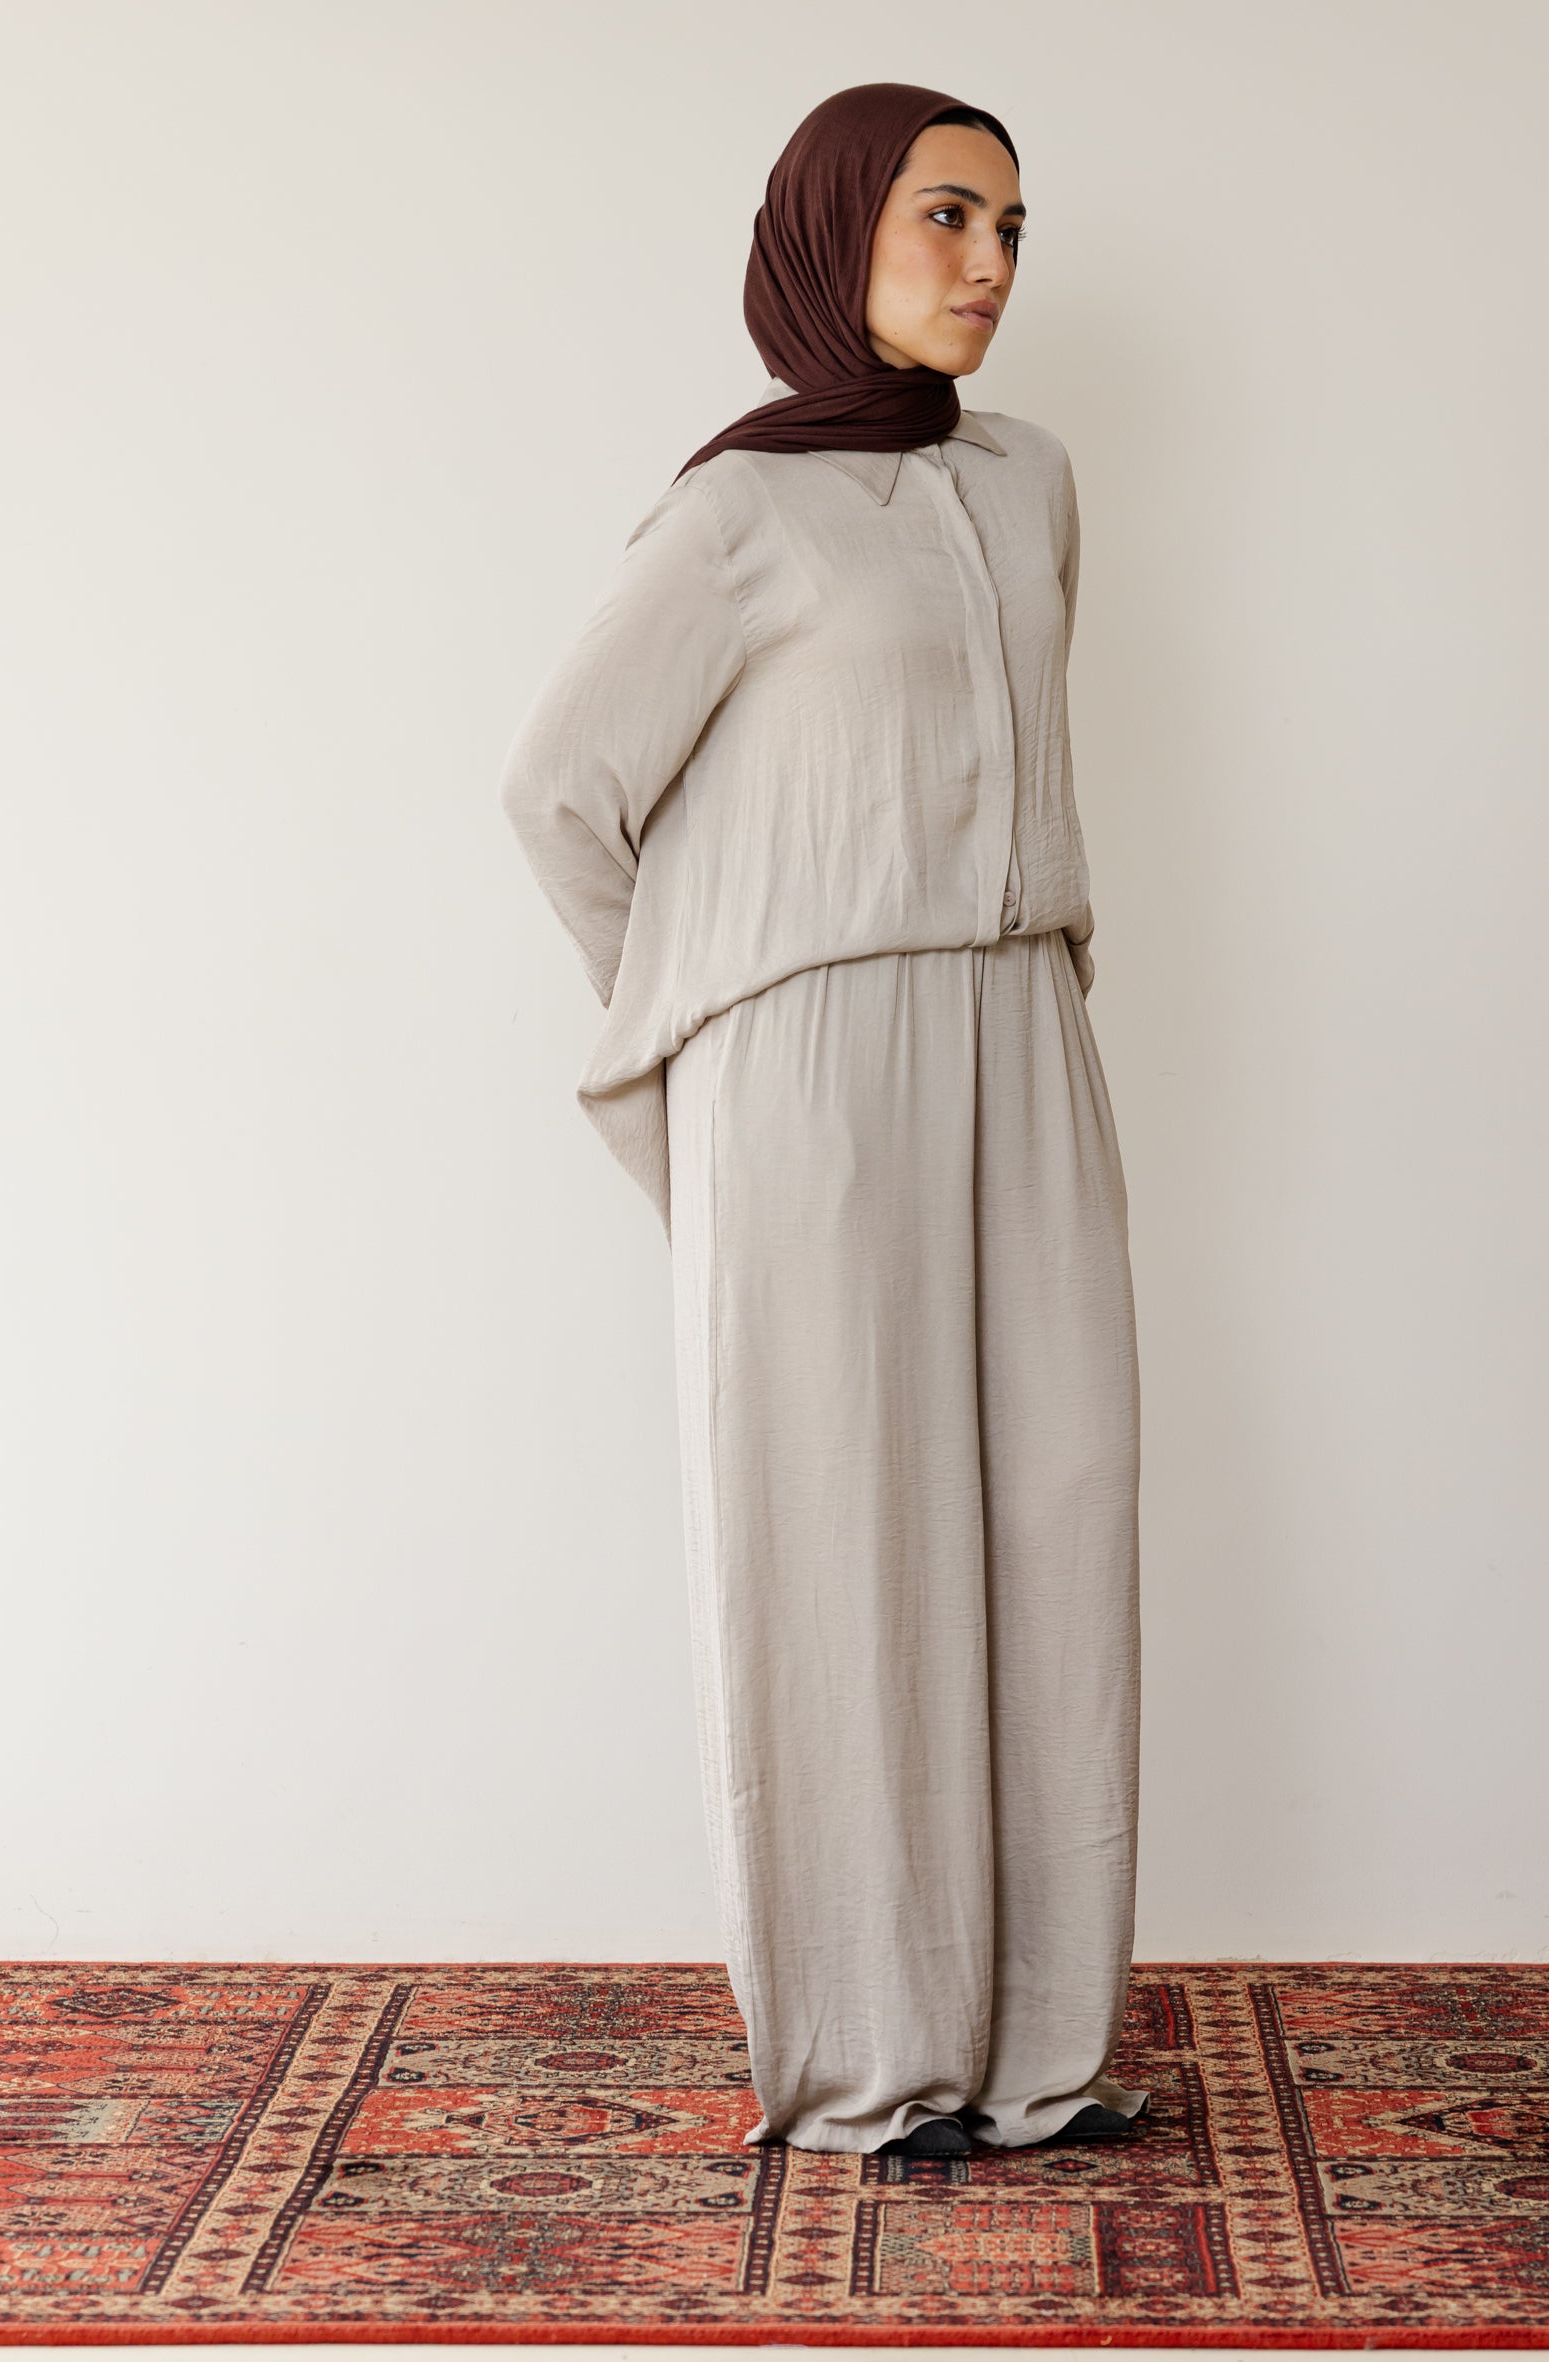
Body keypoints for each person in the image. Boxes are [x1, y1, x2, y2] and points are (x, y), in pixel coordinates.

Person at [498, 81, 1147, 2160]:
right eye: (945, 214)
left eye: (1012, 227)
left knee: (1057, 1504)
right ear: (835, 226)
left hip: (1021, 1019)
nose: (987, 262)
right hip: (809, 1058)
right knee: (839, 1531)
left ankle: (1037, 2052)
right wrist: (708, 1007)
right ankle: (875, 2064)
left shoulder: (1032, 482)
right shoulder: (735, 515)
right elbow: (560, 792)